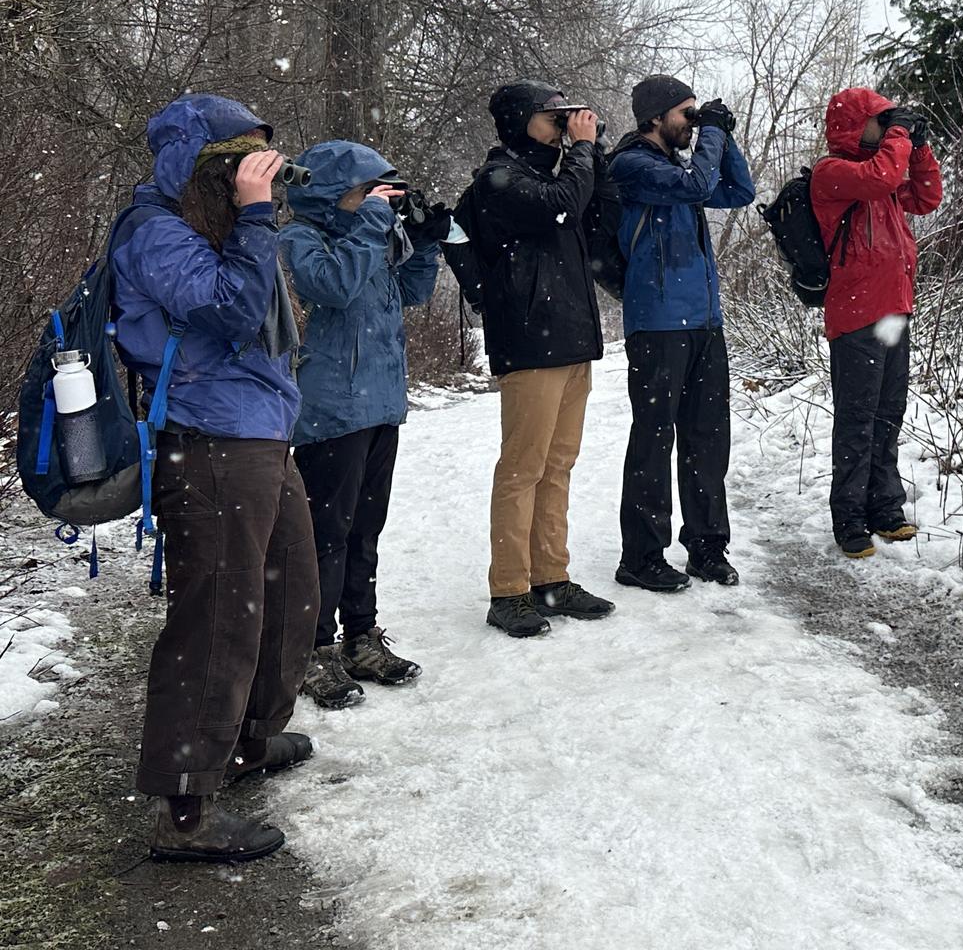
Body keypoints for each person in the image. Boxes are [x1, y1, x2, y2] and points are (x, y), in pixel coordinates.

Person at [114, 94, 319, 863]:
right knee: (218, 617)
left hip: (258, 430)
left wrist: (255, 217)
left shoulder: (217, 227)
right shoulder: (155, 233)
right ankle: (186, 806)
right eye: (236, 163)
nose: (251, 178)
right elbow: (232, 311)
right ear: (199, 167)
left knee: (291, 587)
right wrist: (258, 216)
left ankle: (248, 741)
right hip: (206, 439)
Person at [281, 141, 450, 707]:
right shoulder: (300, 239)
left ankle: (360, 636)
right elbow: (332, 287)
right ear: (333, 196)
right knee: (324, 534)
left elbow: (410, 294)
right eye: (367, 191)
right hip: (330, 409)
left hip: (379, 404)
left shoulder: (368, 236)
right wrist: (374, 223)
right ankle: (311, 649)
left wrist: (424, 243)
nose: (380, 200)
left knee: (364, 529)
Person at [457, 80, 617, 637]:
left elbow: (598, 221)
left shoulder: (556, 173)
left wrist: (594, 155)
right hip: (530, 339)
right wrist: (579, 156)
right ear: (518, 120)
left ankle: (551, 576)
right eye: (553, 116)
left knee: (558, 463)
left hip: (572, 338)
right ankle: (508, 590)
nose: (564, 124)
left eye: (567, 116)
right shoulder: (499, 180)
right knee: (523, 467)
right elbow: (559, 209)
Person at [606, 76, 755, 590]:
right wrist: (710, 131)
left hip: (703, 321)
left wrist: (722, 135)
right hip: (658, 323)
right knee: (653, 437)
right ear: (655, 117)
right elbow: (695, 187)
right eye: (685, 114)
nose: (692, 123)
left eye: (696, 114)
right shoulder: (632, 166)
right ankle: (641, 556)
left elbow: (739, 191)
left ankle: (707, 547)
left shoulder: (677, 166)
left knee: (708, 439)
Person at [808, 89, 943, 559]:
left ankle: (885, 508)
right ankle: (848, 519)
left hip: (893, 311)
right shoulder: (835, 173)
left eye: (891, 120)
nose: (886, 126)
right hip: (856, 315)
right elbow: (880, 175)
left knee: (888, 415)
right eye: (879, 119)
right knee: (857, 420)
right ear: (854, 124)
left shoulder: (878, 178)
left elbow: (927, 196)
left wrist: (919, 148)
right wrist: (902, 134)